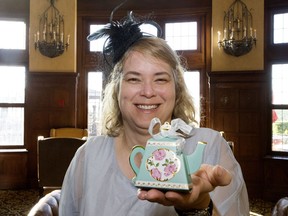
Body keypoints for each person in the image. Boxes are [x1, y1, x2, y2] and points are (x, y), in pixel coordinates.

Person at [59, 8, 249, 216]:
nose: (148, 92)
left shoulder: (211, 148)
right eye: (134, 79)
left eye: (160, 79)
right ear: (117, 89)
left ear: (176, 89)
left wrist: (199, 206)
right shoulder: (88, 156)